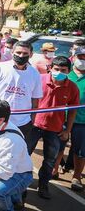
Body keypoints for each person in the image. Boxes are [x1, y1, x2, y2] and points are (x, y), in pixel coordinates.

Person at [27, 56, 79, 199]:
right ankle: (22, 185)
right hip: (34, 125)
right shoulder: (40, 79)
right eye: (56, 69)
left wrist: (67, 131)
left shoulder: (72, 88)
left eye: (63, 70)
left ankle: (43, 185)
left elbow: (73, 110)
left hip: (55, 128)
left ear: (69, 71)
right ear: (51, 68)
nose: (59, 72)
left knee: (50, 159)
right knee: (24, 155)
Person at [0, 40, 43, 137]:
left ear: (31, 55)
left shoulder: (35, 74)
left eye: (25, 53)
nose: (21, 56)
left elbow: (35, 100)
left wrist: (32, 120)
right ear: (12, 52)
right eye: (18, 52)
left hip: (22, 122)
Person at [67, 46, 85, 191]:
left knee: (80, 150)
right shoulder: (64, 74)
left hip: (82, 121)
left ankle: (77, 176)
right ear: (73, 58)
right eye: (80, 57)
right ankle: (53, 171)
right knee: (57, 147)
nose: (83, 60)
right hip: (62, 119)